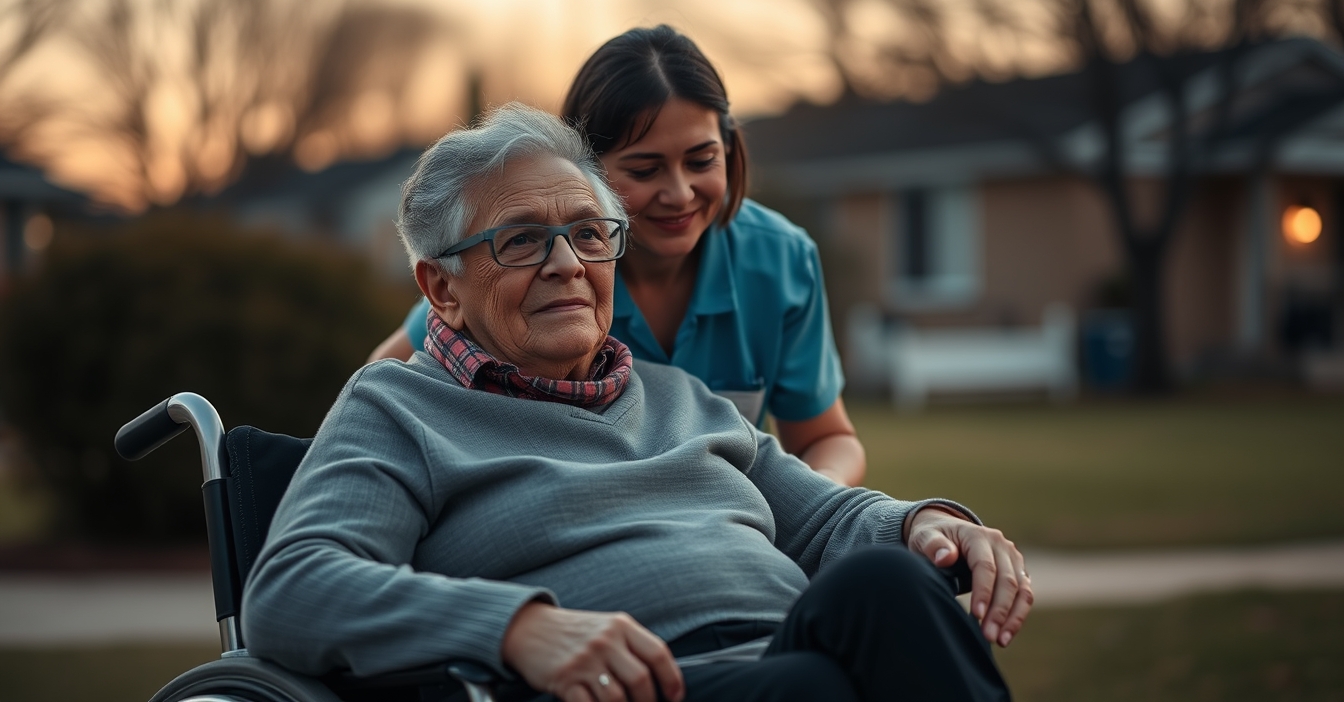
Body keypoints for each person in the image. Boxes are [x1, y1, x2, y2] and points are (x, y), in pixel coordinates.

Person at [244, 105, 1031, 702]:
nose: (566, 265)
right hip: (629, 686)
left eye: (590, 235)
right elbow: (292, 586)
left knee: (888, 583)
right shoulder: (399, 408)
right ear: (441, 289)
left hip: (790, 653)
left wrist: (923, 522)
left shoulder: (682, 397)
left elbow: (826, 520)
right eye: (520, 240)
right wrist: (517, 627)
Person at [369, 26, 865, 486]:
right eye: (645, 170)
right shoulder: (540, 273)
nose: (680, 193)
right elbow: (383, 384)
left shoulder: (780, 260)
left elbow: (825, 437)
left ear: (730, 149)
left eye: (701, 160)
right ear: (580, 173)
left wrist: (805, 510)